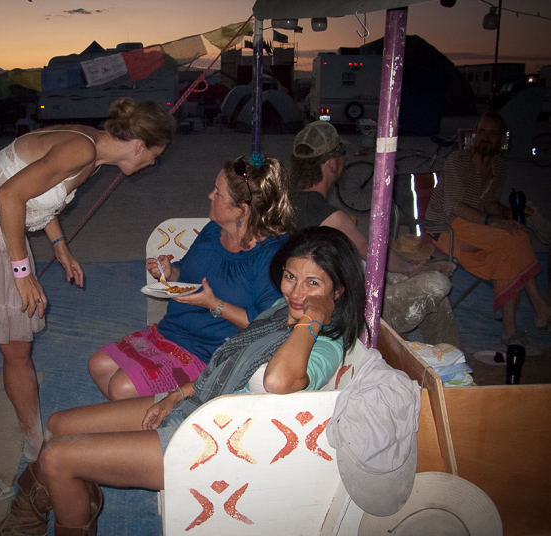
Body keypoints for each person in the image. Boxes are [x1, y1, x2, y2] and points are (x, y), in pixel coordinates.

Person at [0, 226, 367, 536]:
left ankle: (67, 520)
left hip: (215, 441)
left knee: (57, 457)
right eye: (290, 276)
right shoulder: (284, 308)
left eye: (313, 284)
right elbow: (232, 362)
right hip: (200, 402)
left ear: (339, 291)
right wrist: (178, 393)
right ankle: (47, 510)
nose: (296, 293)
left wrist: (311, 318)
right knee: (59, 424)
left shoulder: (323, 342)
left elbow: (277, 380)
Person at [0, 98, 176, 501]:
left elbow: (39, 199)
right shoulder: (82, 147)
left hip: (5, 240)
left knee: (18, 351)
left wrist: (60, 246)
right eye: (155, 155)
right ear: (138, 145)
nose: (152, 163)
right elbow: (9, 196)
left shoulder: (93, 156)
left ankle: (34, 441)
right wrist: (23, 273)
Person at [88, 154, 294, 400]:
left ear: (241, 210)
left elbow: (268, 325)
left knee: (121, 388)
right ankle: (148, 422)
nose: (210, 196)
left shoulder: (271, 256)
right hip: (172, 332)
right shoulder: (213, 230)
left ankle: (163, 427)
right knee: (98, 365)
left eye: (218, 194)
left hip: (209, 352)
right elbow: (188, 272)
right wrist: (170, 271)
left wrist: (214, 305)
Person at [289, 121, 461, 347]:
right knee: (437, 284)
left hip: (313, 289)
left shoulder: (289, 201)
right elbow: (372, 254)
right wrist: (416, 268)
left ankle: (448, 355)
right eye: (341, 155)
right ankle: (452, 359)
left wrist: (412, 269)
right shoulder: (329, 216)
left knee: (414, 279)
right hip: (343, 308)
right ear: (331, 163)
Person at [425, 111, 551, 352]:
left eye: (492, 134)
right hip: (447, 228)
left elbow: (489, 203)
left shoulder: (497, 165)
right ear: (475, 134)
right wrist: (493, 222)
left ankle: (509, 333)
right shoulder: (457, 161)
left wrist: (504, 213)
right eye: (481, 132)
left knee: (507, 250)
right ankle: (540, 307)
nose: (485, 138)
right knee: (515, 238)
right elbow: (455, 207)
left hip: (473, 229)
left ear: (501, 140)